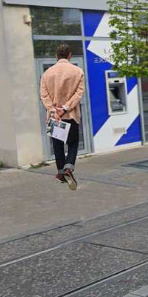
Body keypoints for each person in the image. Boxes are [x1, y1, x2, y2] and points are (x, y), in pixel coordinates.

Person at [40, 44, 85, 190]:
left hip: (54, 117)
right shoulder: (78, 72)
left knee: (58, 145)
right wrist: (65, 108)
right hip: (70, 115)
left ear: (56, 56)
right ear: (70, 55)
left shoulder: (47, 73)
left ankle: (60, 171)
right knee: (73, 143)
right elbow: (79, 94)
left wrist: (53, 110)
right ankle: (68, 167)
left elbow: (44, 95)